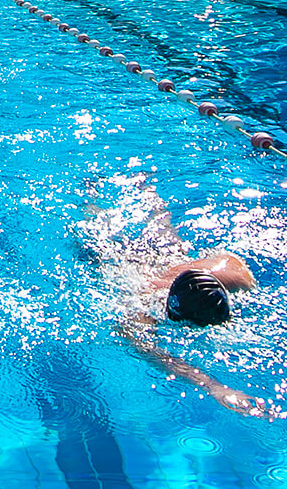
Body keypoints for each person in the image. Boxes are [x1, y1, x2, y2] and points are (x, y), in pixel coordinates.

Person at [89, 177, 268, 416]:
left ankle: (148, 192)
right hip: (134, 267)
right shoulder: (142, 303)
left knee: (167, 237)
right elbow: (148, 349)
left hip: (175, 264)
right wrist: (212, 385)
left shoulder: (234, 276)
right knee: (101, 240)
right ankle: (91, 198)